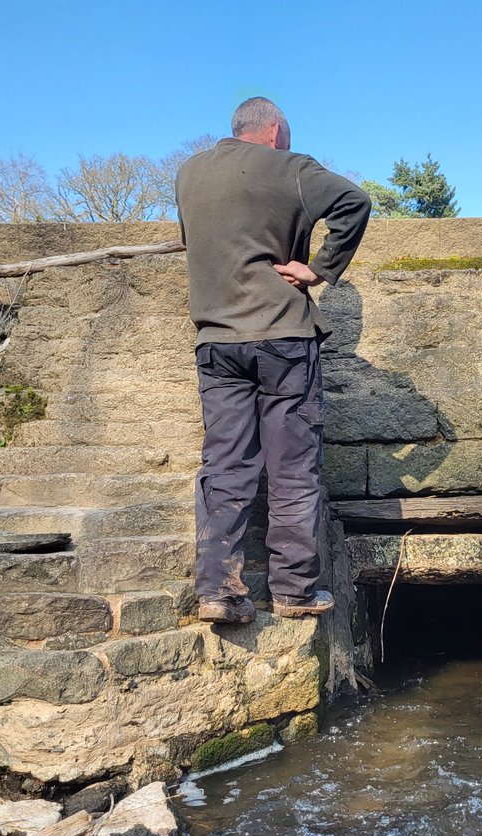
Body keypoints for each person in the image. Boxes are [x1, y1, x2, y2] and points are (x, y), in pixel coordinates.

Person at [175, 97, 371, 624]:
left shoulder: (189, 174)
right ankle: (294, 593)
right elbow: (355, 202)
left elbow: (197, 243)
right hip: (282, 336)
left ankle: (218, 591)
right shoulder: (293, 167)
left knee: (225, 466)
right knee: (292, 469)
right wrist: (319, 269)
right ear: (276, 129)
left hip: (216, 340)